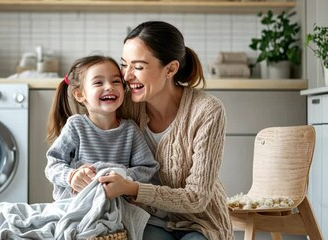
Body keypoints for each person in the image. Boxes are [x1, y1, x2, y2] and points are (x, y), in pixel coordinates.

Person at [96, 21, 235, 240]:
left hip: (200, 223)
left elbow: (197, 197)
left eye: (139, 67)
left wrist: (132, 188)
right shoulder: (127, 105)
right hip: (146, 220)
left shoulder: (206, 111)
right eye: (125, 65)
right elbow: (86, 116)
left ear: (170, 69)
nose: (127, 76)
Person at [45, 55, 159, 201]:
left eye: (116, 81)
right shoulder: (76, 126)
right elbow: (53, 165)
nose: (109, 87)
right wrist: (72, 176)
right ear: (80, 94)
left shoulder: (130, 130)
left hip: (117, 207)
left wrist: (122, 177)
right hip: (79, 204)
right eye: (98, 82)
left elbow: (147, 168)